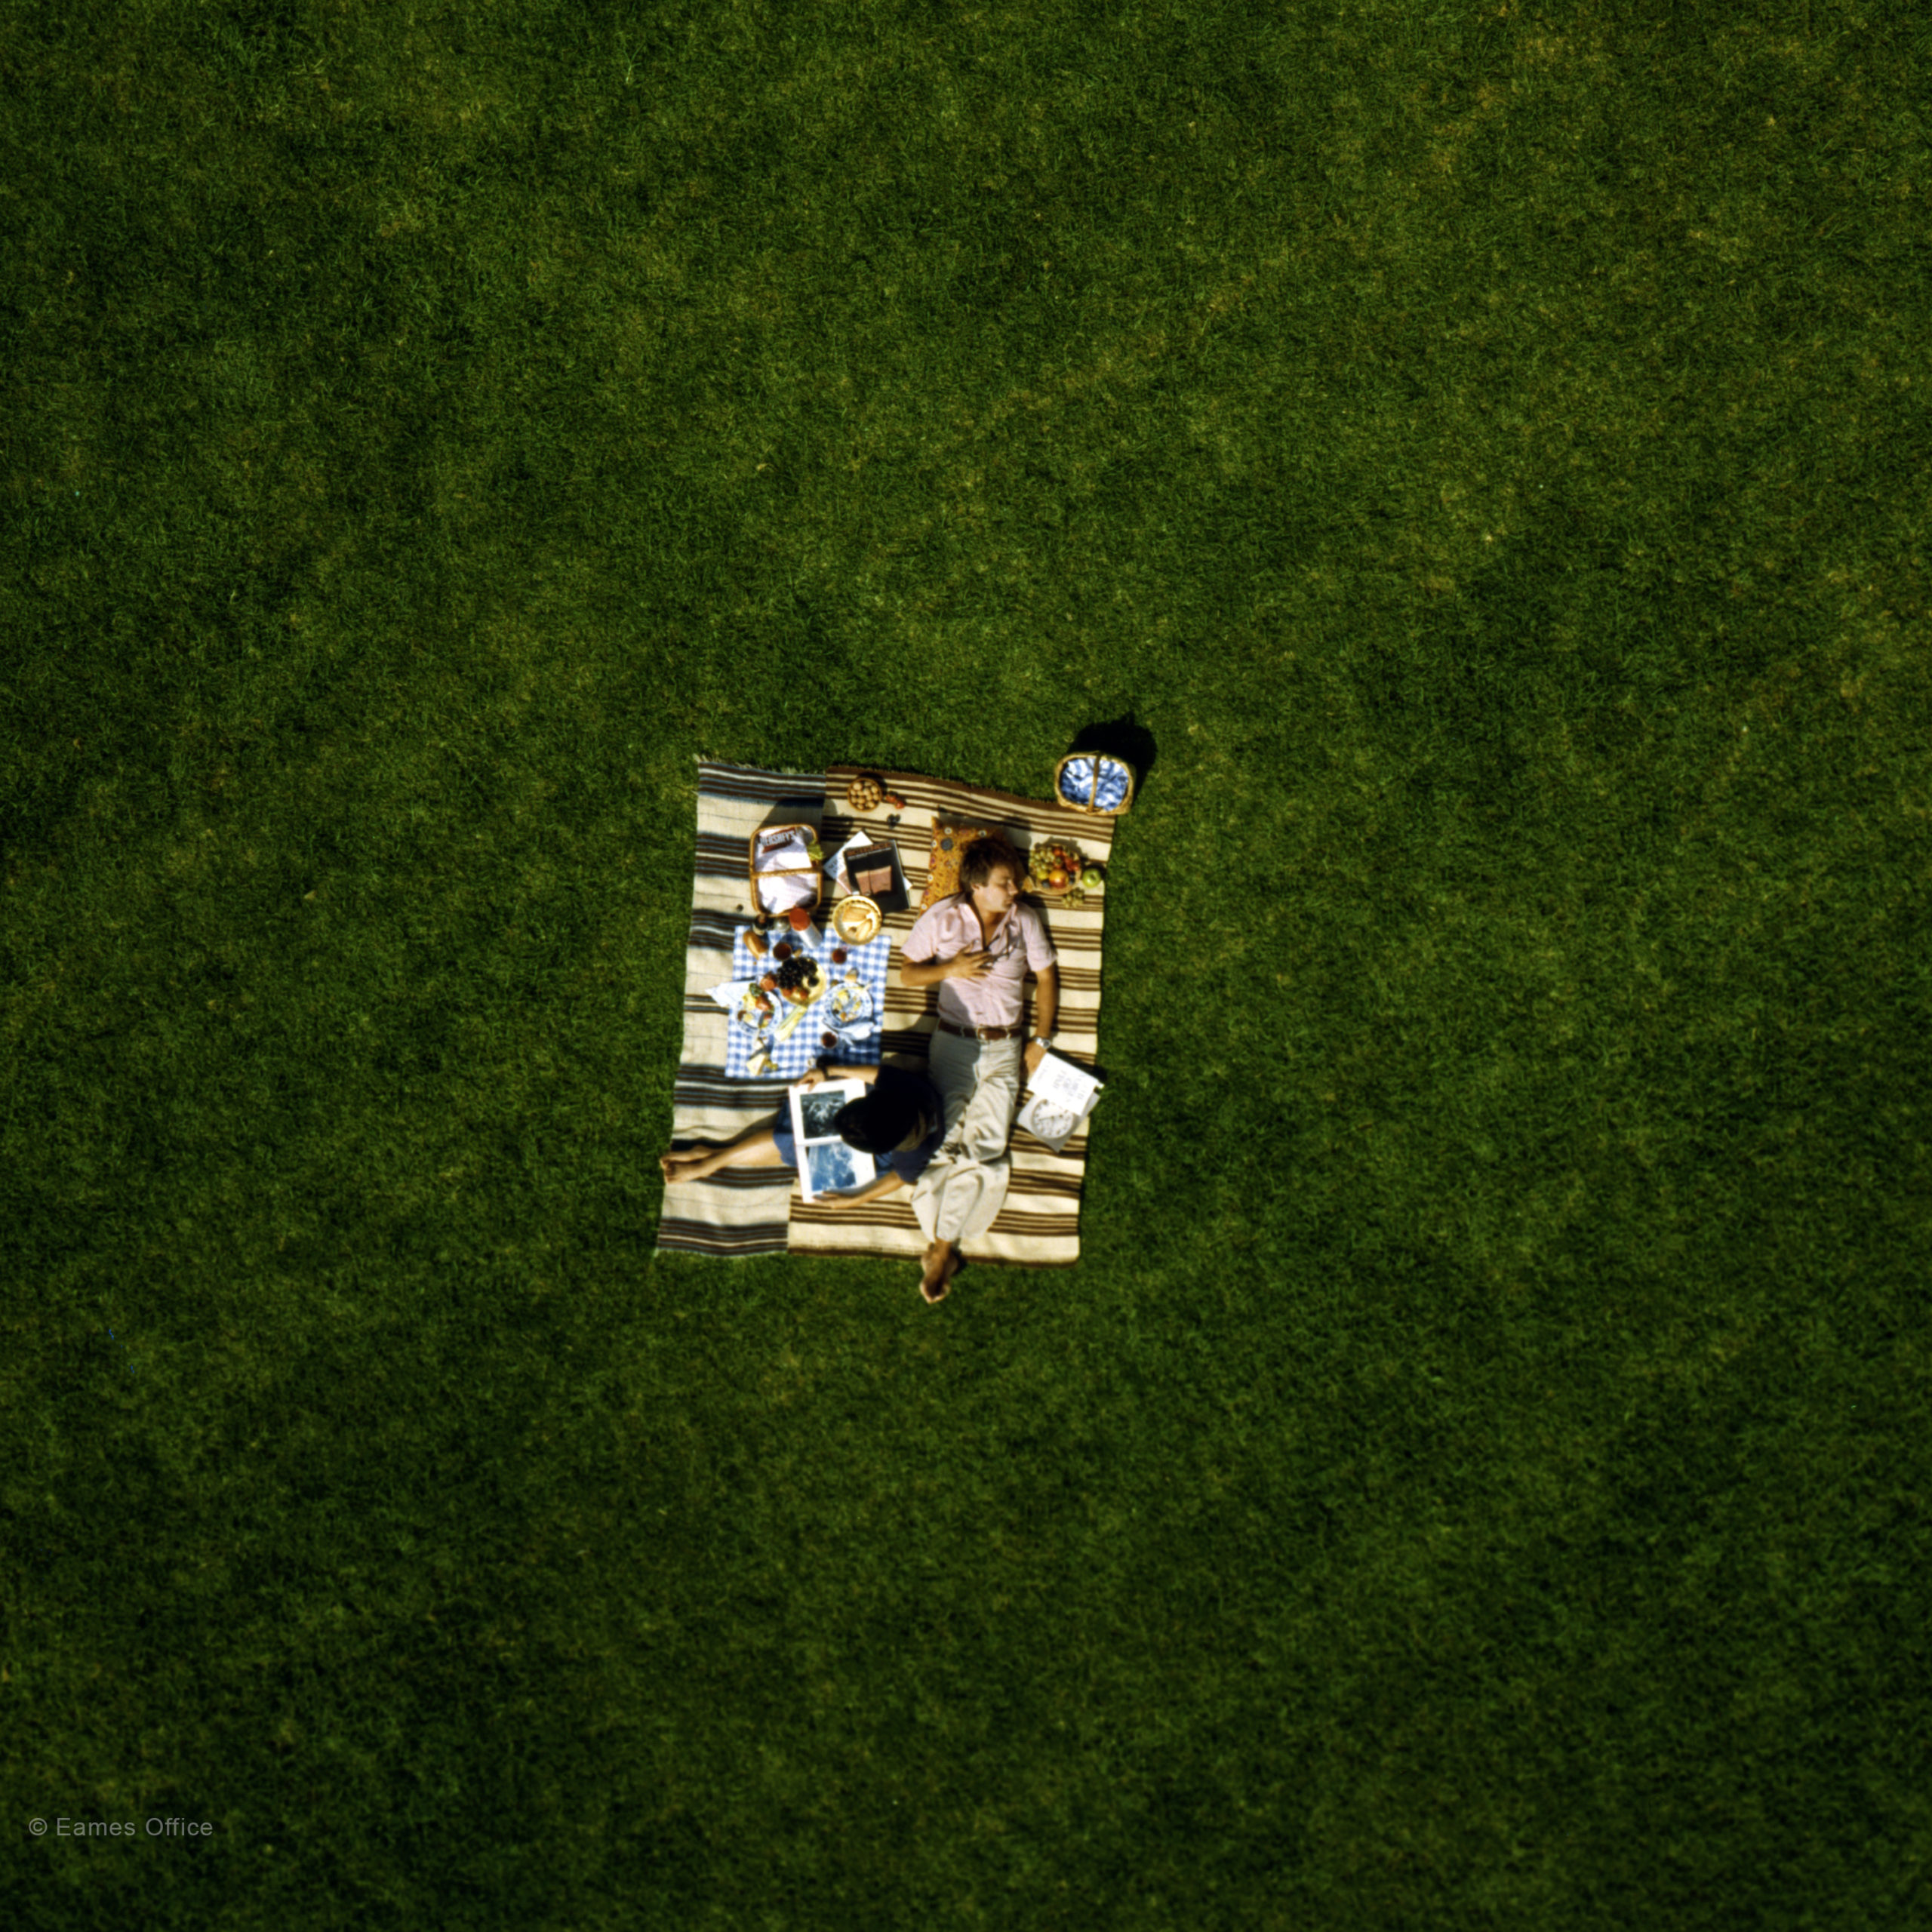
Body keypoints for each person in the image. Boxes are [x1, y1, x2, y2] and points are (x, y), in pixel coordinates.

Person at [894, 834, 1060, 1289]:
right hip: (954, 1043)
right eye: (1006, 883)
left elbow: (1046, 977)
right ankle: (944, 1246)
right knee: (940, 1143)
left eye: (1016, 883)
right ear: (977, 886)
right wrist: (951, 969)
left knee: (984, 1149)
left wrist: (1041, 1041)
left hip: (1007, 1046)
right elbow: (908, 972)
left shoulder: (1024, 920)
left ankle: (941, 1247)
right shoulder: (943, 918)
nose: (1016, 891)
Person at [659, 1060, 958, 1300]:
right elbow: (879, 1074)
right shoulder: (905, 1092)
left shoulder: (912, 1153)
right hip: (884, 1123)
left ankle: (714, 1158)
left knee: (804, 1149)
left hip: (884, 1145)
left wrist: (857, 1199)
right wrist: (829, 1071)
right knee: (798, 1144)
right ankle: (713, 1159)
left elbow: (902, 1178)